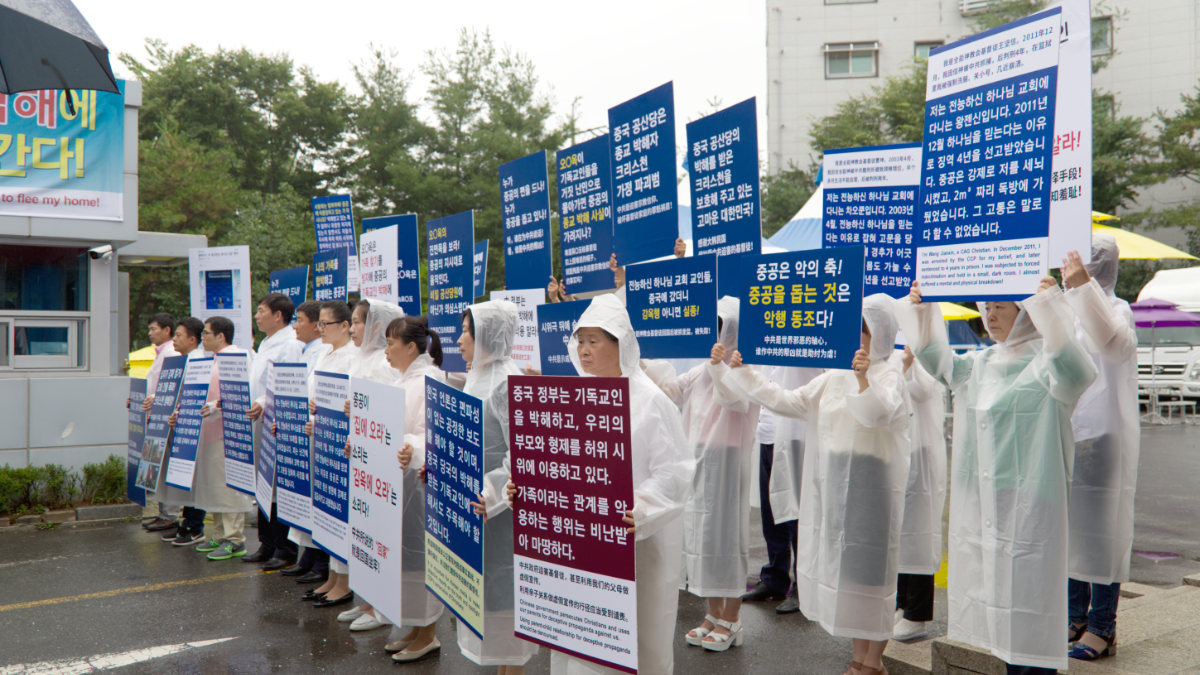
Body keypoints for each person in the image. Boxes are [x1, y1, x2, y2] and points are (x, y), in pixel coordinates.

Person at [903, 279, 1097, 674]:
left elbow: (1079, 370)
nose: (990, 315)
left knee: (1030, 605)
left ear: (1024, 313)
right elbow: (934, 357)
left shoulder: (1049, 363)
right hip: (987, 502)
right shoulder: (979, 364)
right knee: (1001, 610)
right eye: (986, 307)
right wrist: (922, 309)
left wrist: (1046, 302)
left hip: (1032, 505)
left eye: (1001, 307)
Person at [711, 294, 911, 675]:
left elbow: (877, 412)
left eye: (863, 330)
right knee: (849, 575)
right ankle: (859, 655)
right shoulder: (832, 376)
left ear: (881, 334)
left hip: (874, 493)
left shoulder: (891, 372)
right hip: (837, 491)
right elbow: (786, 401)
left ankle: (872, 661)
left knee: (873, 577)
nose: (856, 337)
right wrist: (744, 373)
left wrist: (864, 377)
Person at [508, 293, 693, 675]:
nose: (584, 349)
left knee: (635, 641)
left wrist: (640, 508)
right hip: (580, 543)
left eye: (594, 340)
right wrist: (524, 488)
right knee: (578, 638)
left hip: (636, 544)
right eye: (580, 340)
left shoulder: (651, 401)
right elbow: (555, 462)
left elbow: (673, 474)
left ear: (619, 344)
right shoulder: (575, 396)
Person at [642, 297, 758, 652]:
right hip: (698, 460)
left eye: (721, 327)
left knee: (728, 536)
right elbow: (671, 392)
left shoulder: (743, 367)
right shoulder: (702, 370)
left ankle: (732, 618)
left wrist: (720, 367)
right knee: (702, 535)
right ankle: (712, 612)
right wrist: (641, 362)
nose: (716, 334)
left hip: (729, 461)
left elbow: (732, 399)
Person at [1059, 237, 1138, 661]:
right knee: (1073, 529)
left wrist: (1082, 291)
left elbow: (1111, 342)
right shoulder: (1071, 307)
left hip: (1103, 436)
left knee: (1102, 532)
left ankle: (1103, 626)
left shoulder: (1116, 307)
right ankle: (1075, 616)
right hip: (1071, 432)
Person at [457, 299, 539, 674]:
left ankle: (514, 668)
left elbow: (520, 455)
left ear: (487, 335)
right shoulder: (478, 374)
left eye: (466, 332)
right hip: (475, 503)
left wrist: (491, 496)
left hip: (502, 508)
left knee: (506, 589)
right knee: (485, 590)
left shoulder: (507, 382)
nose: (459, 340)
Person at [337, 298, 404, 631]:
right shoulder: (360, 359)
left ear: (377, 326)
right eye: (350, 322)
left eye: (358, 322)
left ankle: (382, 608)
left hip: (380, 463)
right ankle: (366, 600)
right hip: (362, 458)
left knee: (379, 533)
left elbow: (392, 413)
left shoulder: (383, 363)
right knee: (363, 530)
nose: (351, 328)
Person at [384, 315, 447, 663]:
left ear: (411, 347)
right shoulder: (402, 379)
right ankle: (412, 626)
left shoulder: (429, 381)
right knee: (406, 559)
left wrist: (411, 446)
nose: (386, 351)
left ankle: (429, 633)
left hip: (421, 485)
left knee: (422, 558)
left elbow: (434, 436)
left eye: (391, 343)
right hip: (400, 485)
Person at [741, 365, 820, 614]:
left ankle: (803, 585)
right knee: (771, 512)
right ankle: (775, 577)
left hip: (797, 430)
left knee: (797, 512)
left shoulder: (798, 329)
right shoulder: (764, 335)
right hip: (768, 430)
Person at [300, 300, 360, 608]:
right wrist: (314, 412)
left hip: (340, 446)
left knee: (341, 511)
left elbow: (352, 402)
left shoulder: (354, 358)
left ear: (345, 326)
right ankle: (334, 576)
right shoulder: (325, 352)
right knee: (326, 510)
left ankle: (346, 581)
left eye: (326, 324)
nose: (320, 329)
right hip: (322, 441)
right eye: (319, 324)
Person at [244, 294, 303, 571]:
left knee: (277, 485)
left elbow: (289, 386)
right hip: (259, 422)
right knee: (263, 484)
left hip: (276, 422)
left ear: (278, 315)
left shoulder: (290, 345)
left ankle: (284, 547)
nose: (256, 316)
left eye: (261, 311)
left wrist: (265, 403)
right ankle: (266, 543)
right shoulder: (267, 342)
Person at [893, 345, 948, 642]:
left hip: (922, 455)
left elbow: (924, 388)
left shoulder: (927, 356)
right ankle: (902, 605)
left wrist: (910, 363)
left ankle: (917, 614)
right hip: (904, 452)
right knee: (902, 535)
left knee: (919, 535)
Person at [189, 316, 255, 561]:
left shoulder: (237, 358)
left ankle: (235, 539)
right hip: (210, 431)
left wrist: (217, 405)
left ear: (221, 336)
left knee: (228, 487)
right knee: (213, 486)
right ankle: (218, 533)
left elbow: (242, 393)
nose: (203, 337)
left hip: (228, 433)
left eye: (206, 333)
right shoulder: (213, 360)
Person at [282, 299, 331, 583]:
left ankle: (320, 563)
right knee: (307, 498)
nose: (295, 325)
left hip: (318, 432)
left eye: (299, 320)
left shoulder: (324, 351)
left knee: (318, 499)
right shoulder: (309, 351)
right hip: (305, 431)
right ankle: (309, 557)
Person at [159, 317, 207, 547]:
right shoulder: (181, 360)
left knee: (194, 478)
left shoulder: (198, 362)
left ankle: (195, 526)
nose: (175, 339)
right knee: (183, 477)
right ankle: (185, 522)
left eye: (178, 335)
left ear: (192, 339)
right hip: (180, 425)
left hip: (192, 428)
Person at [138, 312, 181, 534]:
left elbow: (171, 387)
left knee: (165, 468)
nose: (150, 333)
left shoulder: (171, 353)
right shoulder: (160, 353)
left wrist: (153, 398)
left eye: (154, 328)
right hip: (157, 417)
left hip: (166, 419)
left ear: (167, 330)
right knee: (158, 469)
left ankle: (170, 514)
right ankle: (164, 513)